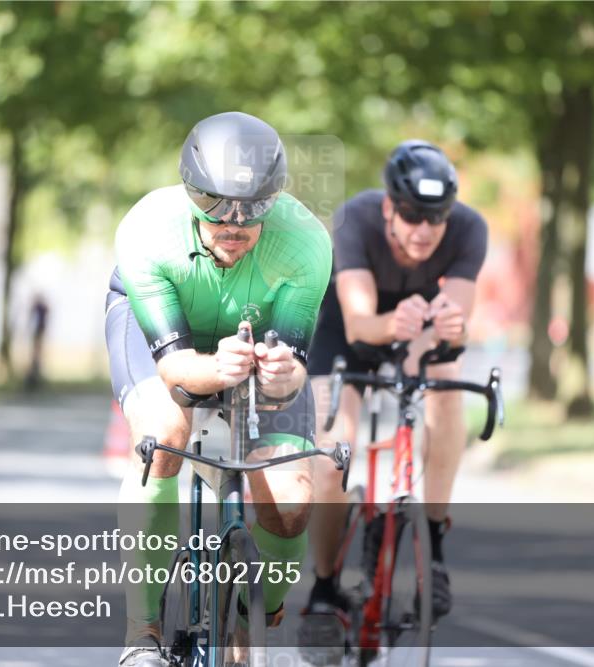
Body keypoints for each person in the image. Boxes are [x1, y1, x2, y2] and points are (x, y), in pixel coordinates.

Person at [105, 111, 332, 667]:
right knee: (163, 435)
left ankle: (263, 615)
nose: (233, 223)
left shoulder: (305, 243)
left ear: (273, 202)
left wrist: (283, 373)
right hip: (164, 341)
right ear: (189, 194)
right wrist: (220, 369)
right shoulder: (146, 231)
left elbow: (295, 369)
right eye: (214, 207)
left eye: (252, 210)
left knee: (292, 499)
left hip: (248, 345)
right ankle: (144, 632)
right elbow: (178, 369)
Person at [304, 141, 488, 623]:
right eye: (411, 215)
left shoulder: (470, 229)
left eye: (436, 216)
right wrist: (396, 321)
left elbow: (459, 325)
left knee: (446, 389)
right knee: (331, 456)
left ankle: (434, 544)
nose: (424, 229)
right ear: (390, 207)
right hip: (348, 331)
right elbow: (359, 324)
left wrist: (452, 328)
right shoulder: (357, 219)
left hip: (416, 331)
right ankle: (324, 585)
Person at [26, 293, 49, 390]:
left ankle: (35, 378)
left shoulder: (40, 308)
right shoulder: (39, 308)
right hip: (37, 333)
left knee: (37, 356)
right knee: (36, 356)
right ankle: (34, 378)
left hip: (39, 333)